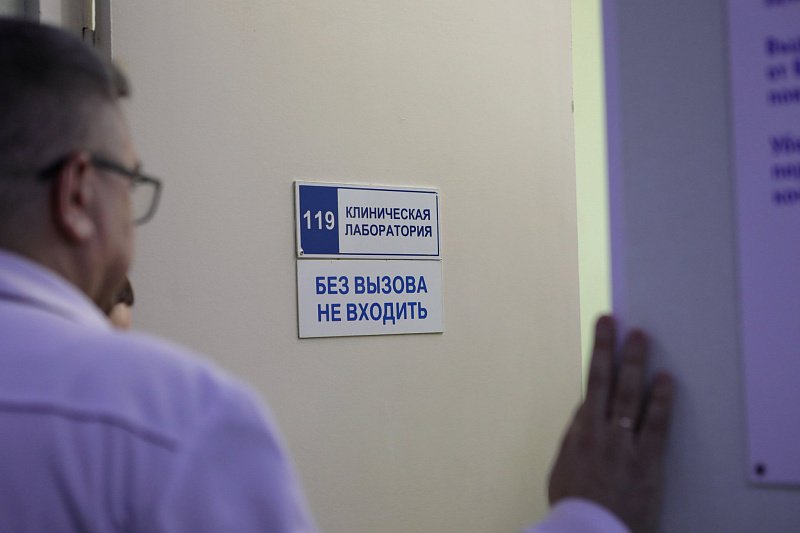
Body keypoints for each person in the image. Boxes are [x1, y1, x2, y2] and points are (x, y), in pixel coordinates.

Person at [0, 19, 673, 533]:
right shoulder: (175, 421)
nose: (134, 214)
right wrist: (588, 518)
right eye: (129, 180)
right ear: (78, 192)